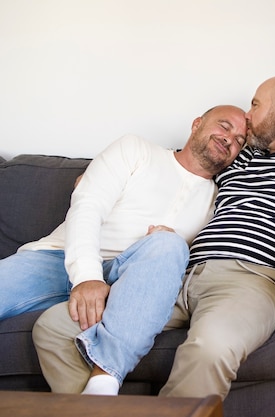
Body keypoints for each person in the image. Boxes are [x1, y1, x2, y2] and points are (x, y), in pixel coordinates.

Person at [33, 75, 275, 399]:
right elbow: (182, 168)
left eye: (255, 104)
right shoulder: (240, 157)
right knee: (55, 328)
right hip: (179, 276)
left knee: (210, 348)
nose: (247, 116)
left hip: (254, 280)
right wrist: (95, 182)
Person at [3, 104, 247, 394]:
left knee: (169, 244)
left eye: (241, 140)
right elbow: (87, 206)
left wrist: (170, 244)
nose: (230, 139)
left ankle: (104, 383)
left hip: (133, 285)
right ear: (197, 124)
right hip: (55, 258)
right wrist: (87, 277)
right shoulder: (136, 150)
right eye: (224, 126)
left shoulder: (223, 200)